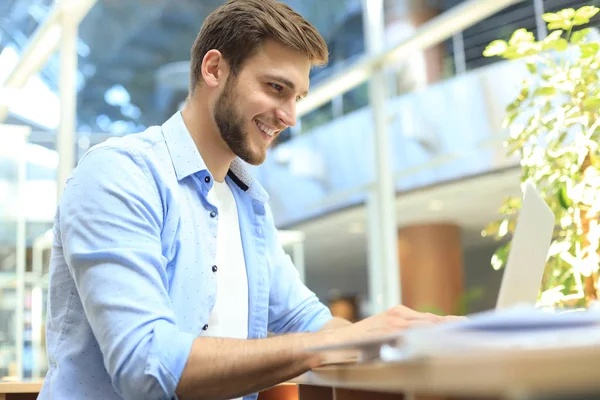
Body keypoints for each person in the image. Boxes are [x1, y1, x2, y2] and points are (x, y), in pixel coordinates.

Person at [39, 1, 457, 399]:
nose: (289, 116)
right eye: (276, 88)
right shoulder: (119, 174)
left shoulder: (248, 203)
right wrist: (326, 345)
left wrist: (404, 339)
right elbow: (145, 364)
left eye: (297, 98)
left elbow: (308, 320)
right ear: (215, 69)